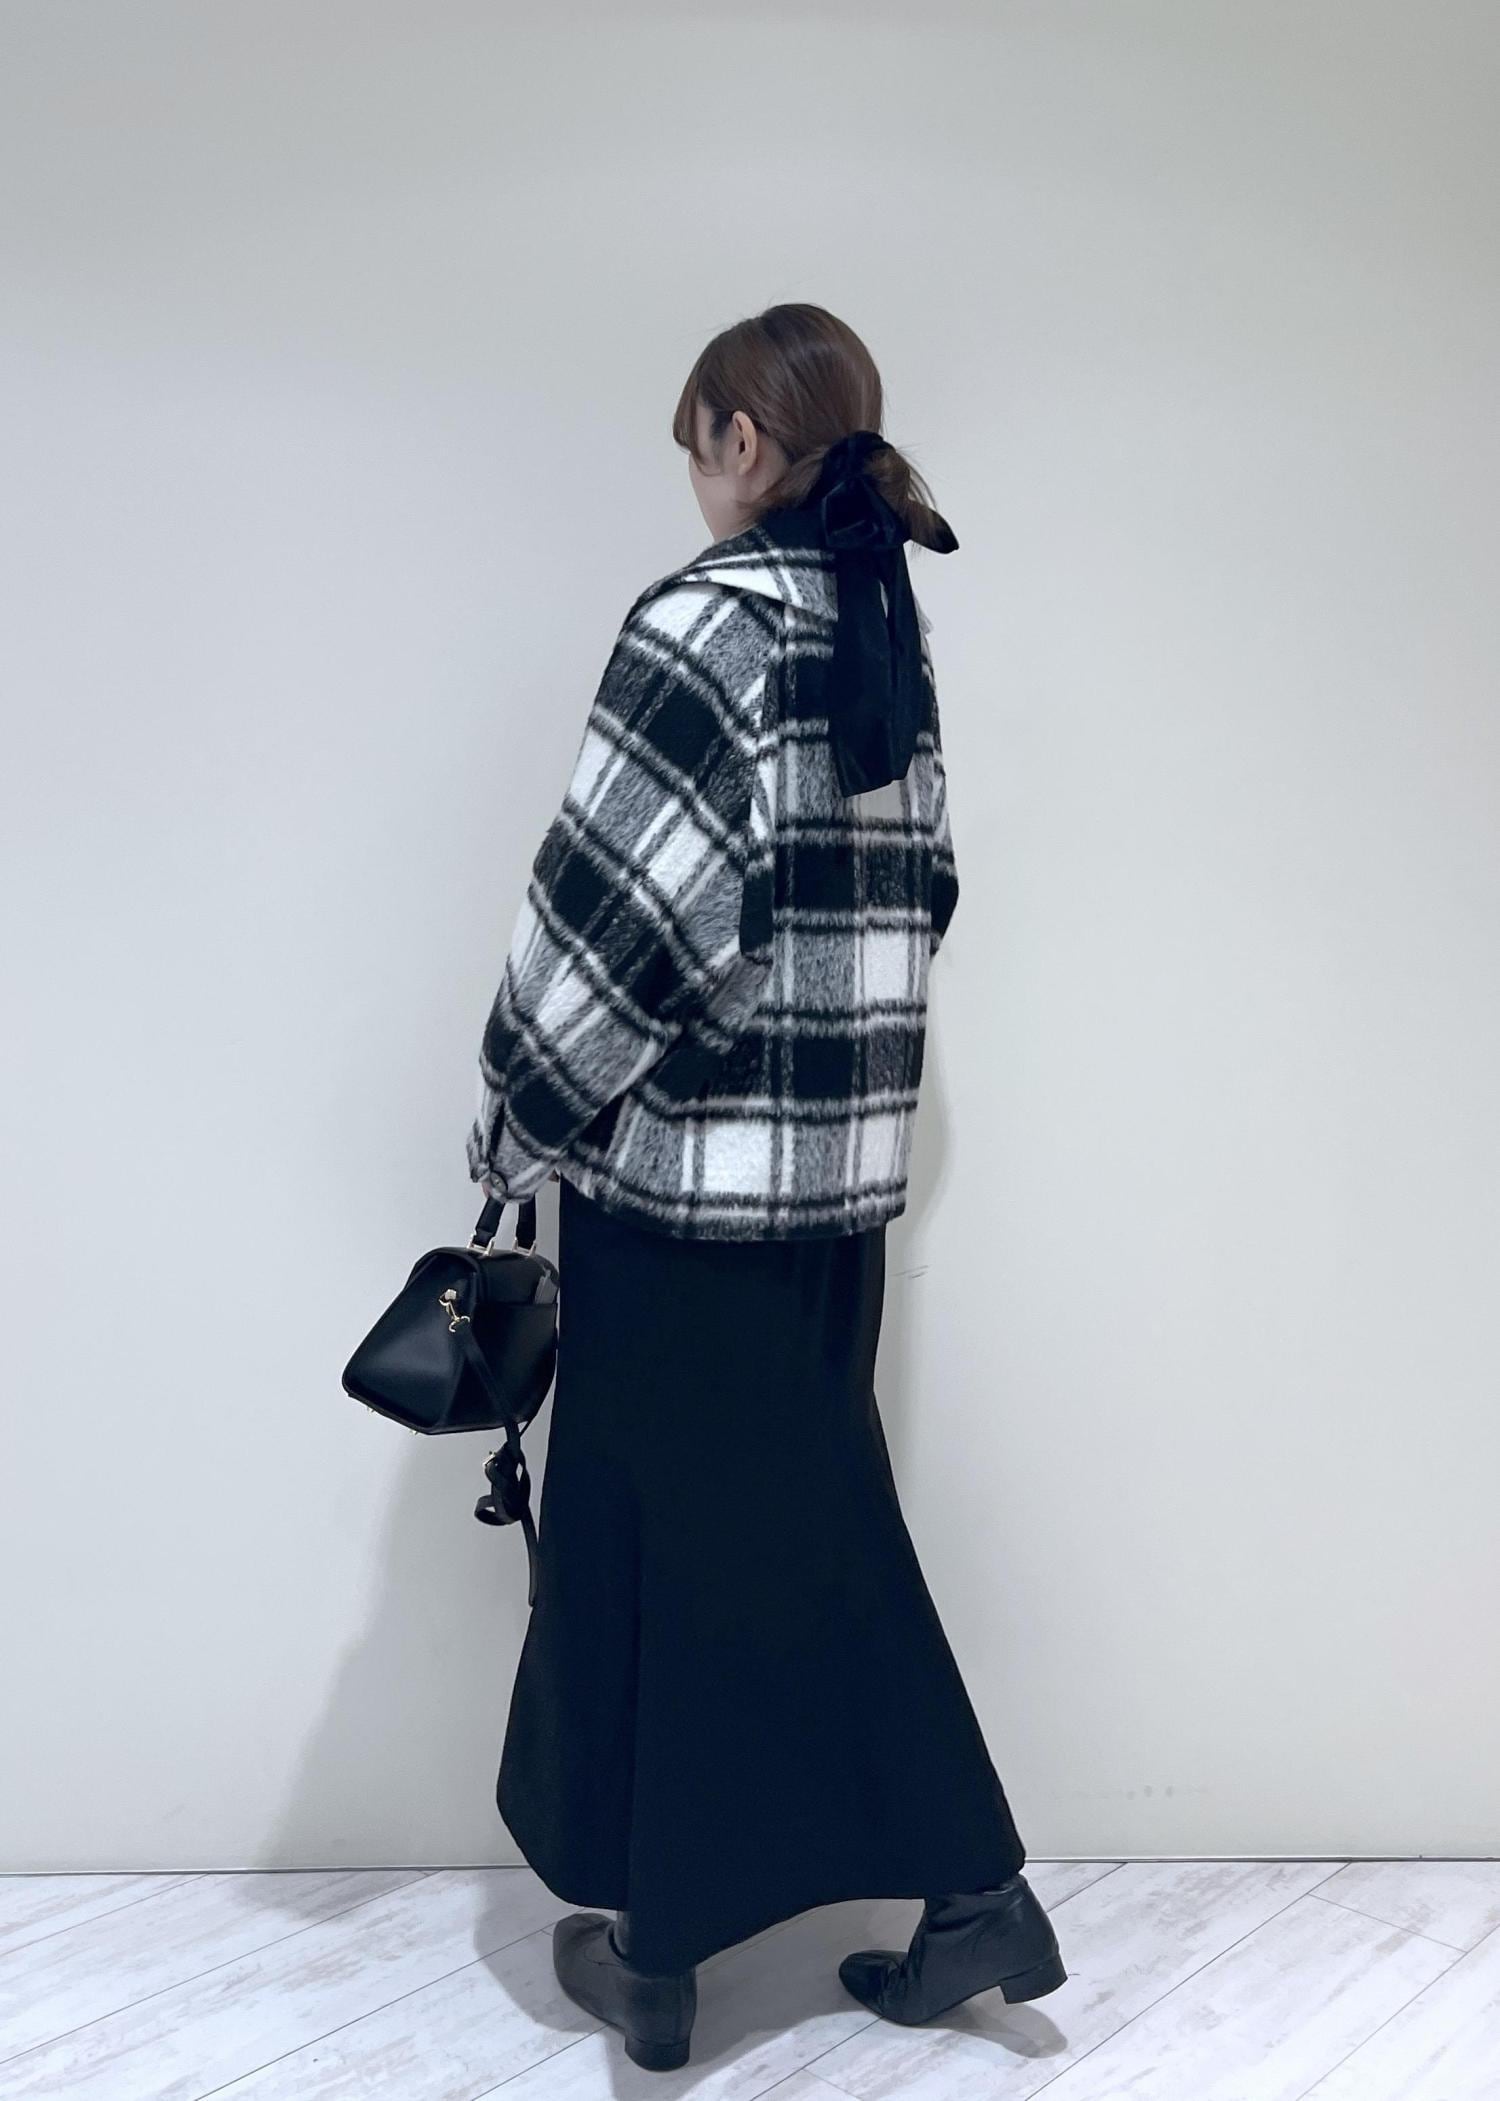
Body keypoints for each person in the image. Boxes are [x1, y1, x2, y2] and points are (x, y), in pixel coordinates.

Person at [464, 302, 1066, 2072]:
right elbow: (926, 888)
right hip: (833, 1199)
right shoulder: (881, 618)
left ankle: (799, 1922)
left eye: (695, 440)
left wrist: (510, 1119)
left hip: (687, 1194)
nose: (695, 473)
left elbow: (611, 921)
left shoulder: (703, 621)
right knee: (769, 1538)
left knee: (679, 1544)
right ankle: (716, 1934)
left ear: (740, 435)